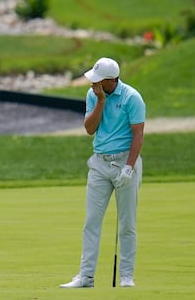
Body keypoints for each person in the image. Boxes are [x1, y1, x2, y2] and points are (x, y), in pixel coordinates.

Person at [60, 57, 145, 289]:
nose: (92, 83)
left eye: (98, 81)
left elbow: (138, 135)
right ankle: (86, 277)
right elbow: (89, 129)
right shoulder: (93, 95)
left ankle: (126, 276)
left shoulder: (132, 98)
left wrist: (129, 167)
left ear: (111, 80)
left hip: (125, 162)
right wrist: (100, 101)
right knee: (91, 222)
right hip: (99, 163)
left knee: (127, 223)